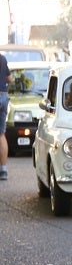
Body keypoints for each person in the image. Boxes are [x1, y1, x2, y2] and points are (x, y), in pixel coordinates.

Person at [0, 52, 10, 180]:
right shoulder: (2, 58)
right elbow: (10, 79)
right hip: (3, 95)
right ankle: (3, 170)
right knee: (1, 134)